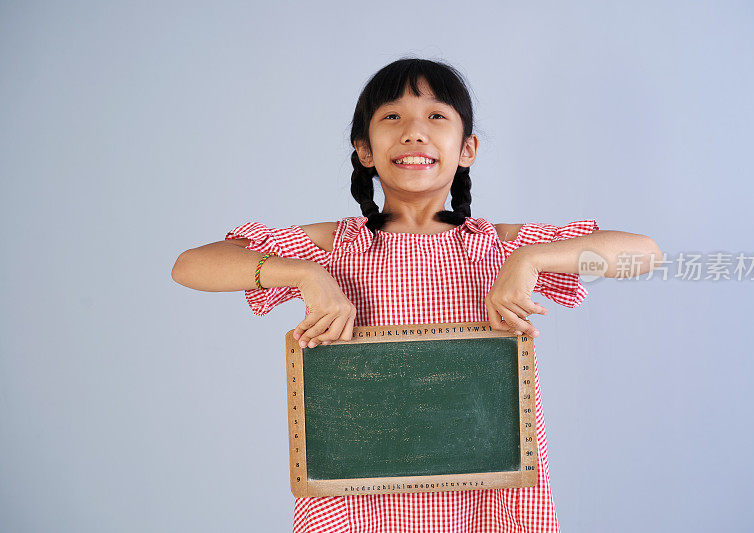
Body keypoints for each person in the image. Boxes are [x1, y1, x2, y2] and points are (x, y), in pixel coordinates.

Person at [172, 57, 663, 533]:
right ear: (365, 149)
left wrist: (531, 259)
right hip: (358, 498)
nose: (414, 131)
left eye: (435, 116)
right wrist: (303, 273)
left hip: (490, 496)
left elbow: (645, 253)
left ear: (467, 148)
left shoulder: (497, 246)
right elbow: (190, 265)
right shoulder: (336, 247)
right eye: (392, 117)